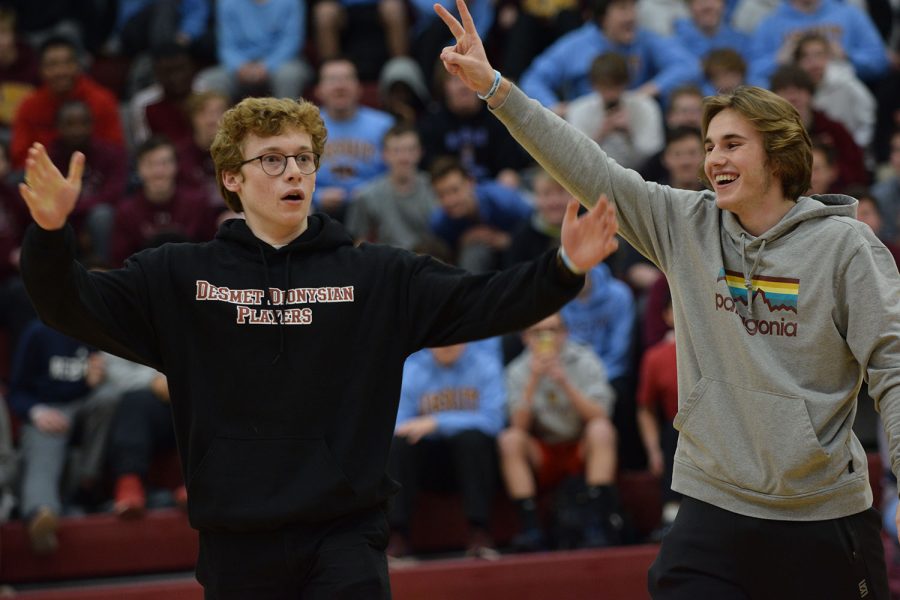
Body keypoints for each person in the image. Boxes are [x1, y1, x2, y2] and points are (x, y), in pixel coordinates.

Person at [17, 90, 619, 596]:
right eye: (273, 160)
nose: (295, 173)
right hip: (235, 543)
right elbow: (71, 305)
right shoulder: (178, 276)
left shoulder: (377, 275)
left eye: (304, 159)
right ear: (232, 177)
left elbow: (484, 301)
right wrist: (48, 234)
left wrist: (565, 265)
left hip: (345, 538)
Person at [434, 0, 900, 596]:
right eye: (709, 146)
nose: (713, 159)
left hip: (820, 511)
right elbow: (590, 167)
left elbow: (891, 365)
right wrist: (496, 89)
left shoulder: (845, 247)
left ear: (779, 153)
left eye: (732, 144)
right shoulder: (686, 223)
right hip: (714, 498)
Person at [500, 312, 619, 550]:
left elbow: (601, 415)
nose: (546, 338)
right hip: (544, 450)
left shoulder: (585, 359)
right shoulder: (517, 370)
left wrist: (564, 381)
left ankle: (596, 522)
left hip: (579, 445)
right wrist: (534, 379)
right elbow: (518, 426)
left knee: (601, 430)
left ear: (564, 333)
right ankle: (531, 528)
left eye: (553, 330)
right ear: (525, 337)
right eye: (538, 332)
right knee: (510, 440)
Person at [387, 339, 505, 559]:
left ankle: (479, 531)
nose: (446, 344)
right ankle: (398, 534)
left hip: (474, 460)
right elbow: (399, 426)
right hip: (428, 464)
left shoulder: (485, 364)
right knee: (399, 445)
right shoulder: (412, 369)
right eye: (440, 338)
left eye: (453, 337)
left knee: (472, 439)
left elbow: (494, 421)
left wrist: (437, 422)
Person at [8, 319, 106, 554]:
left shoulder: (95, 328)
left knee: (109, 398)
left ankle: (87, 482)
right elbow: (16, 392)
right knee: (44, 442)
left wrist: (98, 379)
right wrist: (36, 412)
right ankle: (41, 514)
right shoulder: (38, 332)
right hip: (48, 407)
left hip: (85, 405)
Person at [519, 0, 700, 115]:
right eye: (622, 8)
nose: (631, 17)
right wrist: (555, 108)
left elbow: (689, 65)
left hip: (635, 125)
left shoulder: (645, 39)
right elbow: (533, 79)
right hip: (588, 131)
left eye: (633, 7)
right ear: (602, 16)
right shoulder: (574, 45)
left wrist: (648, 90)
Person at [10, 36, 124, 169]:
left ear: (78, 65)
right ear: (40, 70)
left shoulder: (103, 100)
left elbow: (116, 151)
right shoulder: (29, 106)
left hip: (97, 175)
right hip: (44, 178)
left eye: (67, 63)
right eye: (52, 65)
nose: (61, 71)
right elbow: (20, 158)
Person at [109, 135, 216, 266]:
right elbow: (121, 263)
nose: (158, 171)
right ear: (138, 169)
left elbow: (212, 252)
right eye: (150, 164)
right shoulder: (126, 211)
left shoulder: (197, 203)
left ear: (176, 166)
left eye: (165, 163)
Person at [312, 58, 395, 222]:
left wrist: (370, 192)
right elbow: (291, 175)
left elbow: (397, 172)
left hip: (374, 207)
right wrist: (317, 196)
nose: (340, 86)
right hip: (318, 211)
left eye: (347, 79)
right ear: (319, 90)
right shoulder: (304, 127)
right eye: (332, 80)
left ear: (359, 88)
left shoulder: (384, 125)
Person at [428, 156, 533, 272]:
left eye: (455, 190)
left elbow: (537, 223)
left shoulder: (503, 200)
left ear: (470, 182)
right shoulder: (439, 223)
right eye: (441, 195)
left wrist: (508, 240)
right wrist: (461, 243)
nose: (450, 201)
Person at [565, 52, 665, 173]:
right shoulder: (578, 109)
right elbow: (575, 158)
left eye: (615, 86)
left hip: (643, 178)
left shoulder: (645, 106)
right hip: (593, 177)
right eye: (604, 86)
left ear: (626, 83)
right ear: (594, 85)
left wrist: (629, 134)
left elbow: (655, 157)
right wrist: (601, 133)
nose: (610, 94)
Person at [195, 0, 312, 103]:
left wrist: (266, 66)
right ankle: (222, 127)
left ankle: (285, 125)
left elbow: (291, 41)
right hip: (240, 69)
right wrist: (239, 66)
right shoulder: (227, 2)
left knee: (289, 75)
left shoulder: (291, 2)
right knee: (206, 81)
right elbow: (227, 46)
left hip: (280, 64)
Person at [344, 124, 438, 249]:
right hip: (388, 263)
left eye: (410, 150)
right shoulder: (367, 195)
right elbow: (359, 242)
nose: (404, 157)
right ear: (384, 154)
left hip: (430, 261)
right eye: (397, 151)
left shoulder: (435, 188)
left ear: (420, 152)